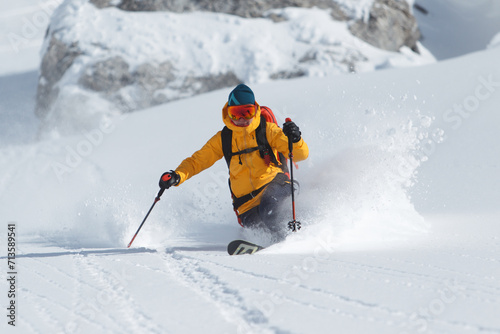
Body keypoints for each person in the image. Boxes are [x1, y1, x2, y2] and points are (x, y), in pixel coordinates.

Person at [159, 84, 309, 241]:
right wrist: (177, 175)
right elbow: (197, 161)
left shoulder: (268, 131)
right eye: (236, 114)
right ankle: (273, 242)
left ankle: (293, 239)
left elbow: (300, 155)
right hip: (246, 205)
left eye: (247, 112)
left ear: (255, 110)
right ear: (228, 114)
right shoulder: (224, 139)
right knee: (257, 227)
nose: (242, 118)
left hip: (275, 187)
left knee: (270, 211)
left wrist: (296, 139)